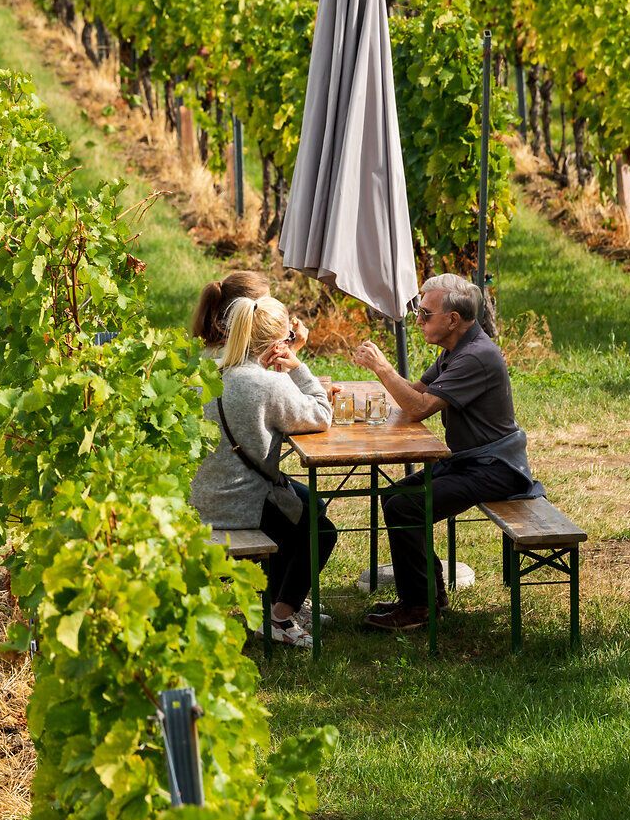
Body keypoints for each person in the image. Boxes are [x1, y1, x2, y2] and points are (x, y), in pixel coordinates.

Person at [356, 273, 543, 633]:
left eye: (425, 314)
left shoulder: (476, 356)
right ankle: (429, 595)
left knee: (405, 505)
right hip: (470, 461)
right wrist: (383, 387)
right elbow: (415, 392)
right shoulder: (454, 351)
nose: (419, 321)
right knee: (397, 498)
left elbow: (418, 408)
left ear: (453, 319)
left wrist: (382, 367)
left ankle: (418, 607)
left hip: (495, 468)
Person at [191, 294, 336, 650]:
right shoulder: (267, 384)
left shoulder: (206, 370)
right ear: (276, 345)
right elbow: (321, 414)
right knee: (321, 531)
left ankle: (278, 601)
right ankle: (279, 618)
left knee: (311, 505)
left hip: (201, 496)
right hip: (241, 504)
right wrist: (297, 367)